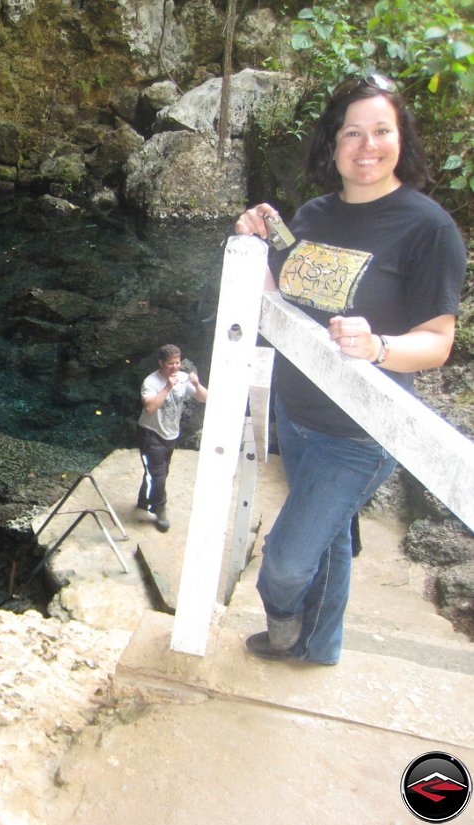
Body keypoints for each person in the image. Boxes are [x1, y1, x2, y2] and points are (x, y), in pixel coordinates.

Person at [234, 73, 466, 665]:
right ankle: (319, 648)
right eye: (352, 133)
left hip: (361, 432)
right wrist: (255, 246)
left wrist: (379, 346)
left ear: (401, 139)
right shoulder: (313, 214)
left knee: (284, 564)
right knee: (330, 539)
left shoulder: (428, 228)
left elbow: (438, 342)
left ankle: (285, 626)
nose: (367, 146)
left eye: (381, 131)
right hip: (296, 413)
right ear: (332, 145)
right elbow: (284, 300)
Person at [136, 344, 208, 532]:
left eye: (177, 363)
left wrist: (196, 384)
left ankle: (143, 500)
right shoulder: (151, 382)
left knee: (160, 471)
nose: (175, 367)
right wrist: (168, 387)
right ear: (161, 363)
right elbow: (150, 408)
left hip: (170, 434)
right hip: (151, 434)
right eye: (171, 364)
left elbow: (204, 398)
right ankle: (159, 509)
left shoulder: (183, 378)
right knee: (158, 475)